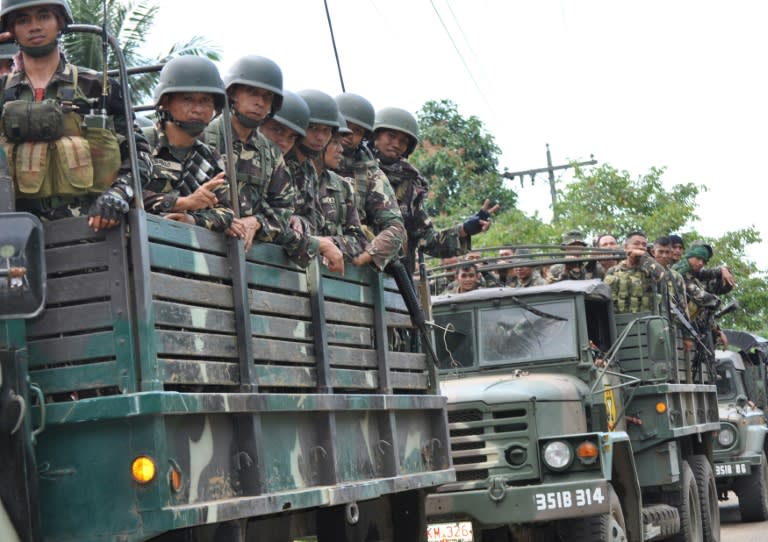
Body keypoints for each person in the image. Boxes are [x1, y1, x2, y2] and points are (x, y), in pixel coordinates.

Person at [0, 0, 138, 231]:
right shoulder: (3, 93)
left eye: (43, 16)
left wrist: (119, 193)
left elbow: (138, 155)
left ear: (60, 21)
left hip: (90, 228)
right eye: (23, 20)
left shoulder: (97, 87)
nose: (34, 27)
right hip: (15, 232)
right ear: (11, 30)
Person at [368, 106, 498, 273]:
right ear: (375, 135)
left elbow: (427, 240)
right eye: (391, 136)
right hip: (352, 271)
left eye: (403, 141)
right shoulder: (353, 170)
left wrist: (465, 229)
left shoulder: (409, 185)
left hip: (396, 280)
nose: (396, 144)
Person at [203, 55, 294, 250]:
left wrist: (257, 222)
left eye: (267, 96)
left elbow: (284, 211)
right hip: (204, 245)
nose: (259, 102)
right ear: (233, 93)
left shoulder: (271, 154)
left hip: (251, 257)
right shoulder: (205, 137)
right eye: (252, 92)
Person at [140, 55, 233, 231]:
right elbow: (125, 193)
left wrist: (192, 220)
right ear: (165, 102)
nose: (198, 109)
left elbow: (226, 212)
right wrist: (183, 203)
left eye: (205, 101)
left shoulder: (209, 157)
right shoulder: (142, 142)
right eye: (188, 99)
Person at [260, 89, 343, 273]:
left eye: (326, 131)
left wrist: (298, 221)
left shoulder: (308, 170)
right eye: (313, 128)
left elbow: (315, 221)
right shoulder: (273, 159)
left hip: (289, 258)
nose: (320, 137)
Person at [333, 92, 405, 271]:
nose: (349, 133)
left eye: (357, 130)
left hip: (349, 259)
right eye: (345, 125)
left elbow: (395, 227)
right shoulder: (309, 159)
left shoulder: (370, 172)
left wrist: (367, 255)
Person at [311, 112, 367, 263]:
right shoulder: (288, 176)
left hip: (332, 276)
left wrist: (331, 242)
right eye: (335, 143)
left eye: (340, 143)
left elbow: (359, 240)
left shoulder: (342, 187)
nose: (340, 150)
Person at [604, 231, 666, 314]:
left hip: (647, 322)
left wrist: (645, 256)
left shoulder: (650, 269)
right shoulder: (613, 271)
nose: (641, 247)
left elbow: (662, 275)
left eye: (644, 245)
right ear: (626, 247)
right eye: (636, 244)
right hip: (621, 322)